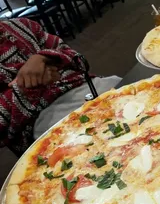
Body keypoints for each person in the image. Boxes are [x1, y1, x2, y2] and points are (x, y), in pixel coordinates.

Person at [0, 18, 121, 156]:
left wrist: (44, 58)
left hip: (86, 86)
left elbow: (79, 60)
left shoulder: (21, 25)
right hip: (41, 121)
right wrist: (27, 87)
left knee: (129, 83)